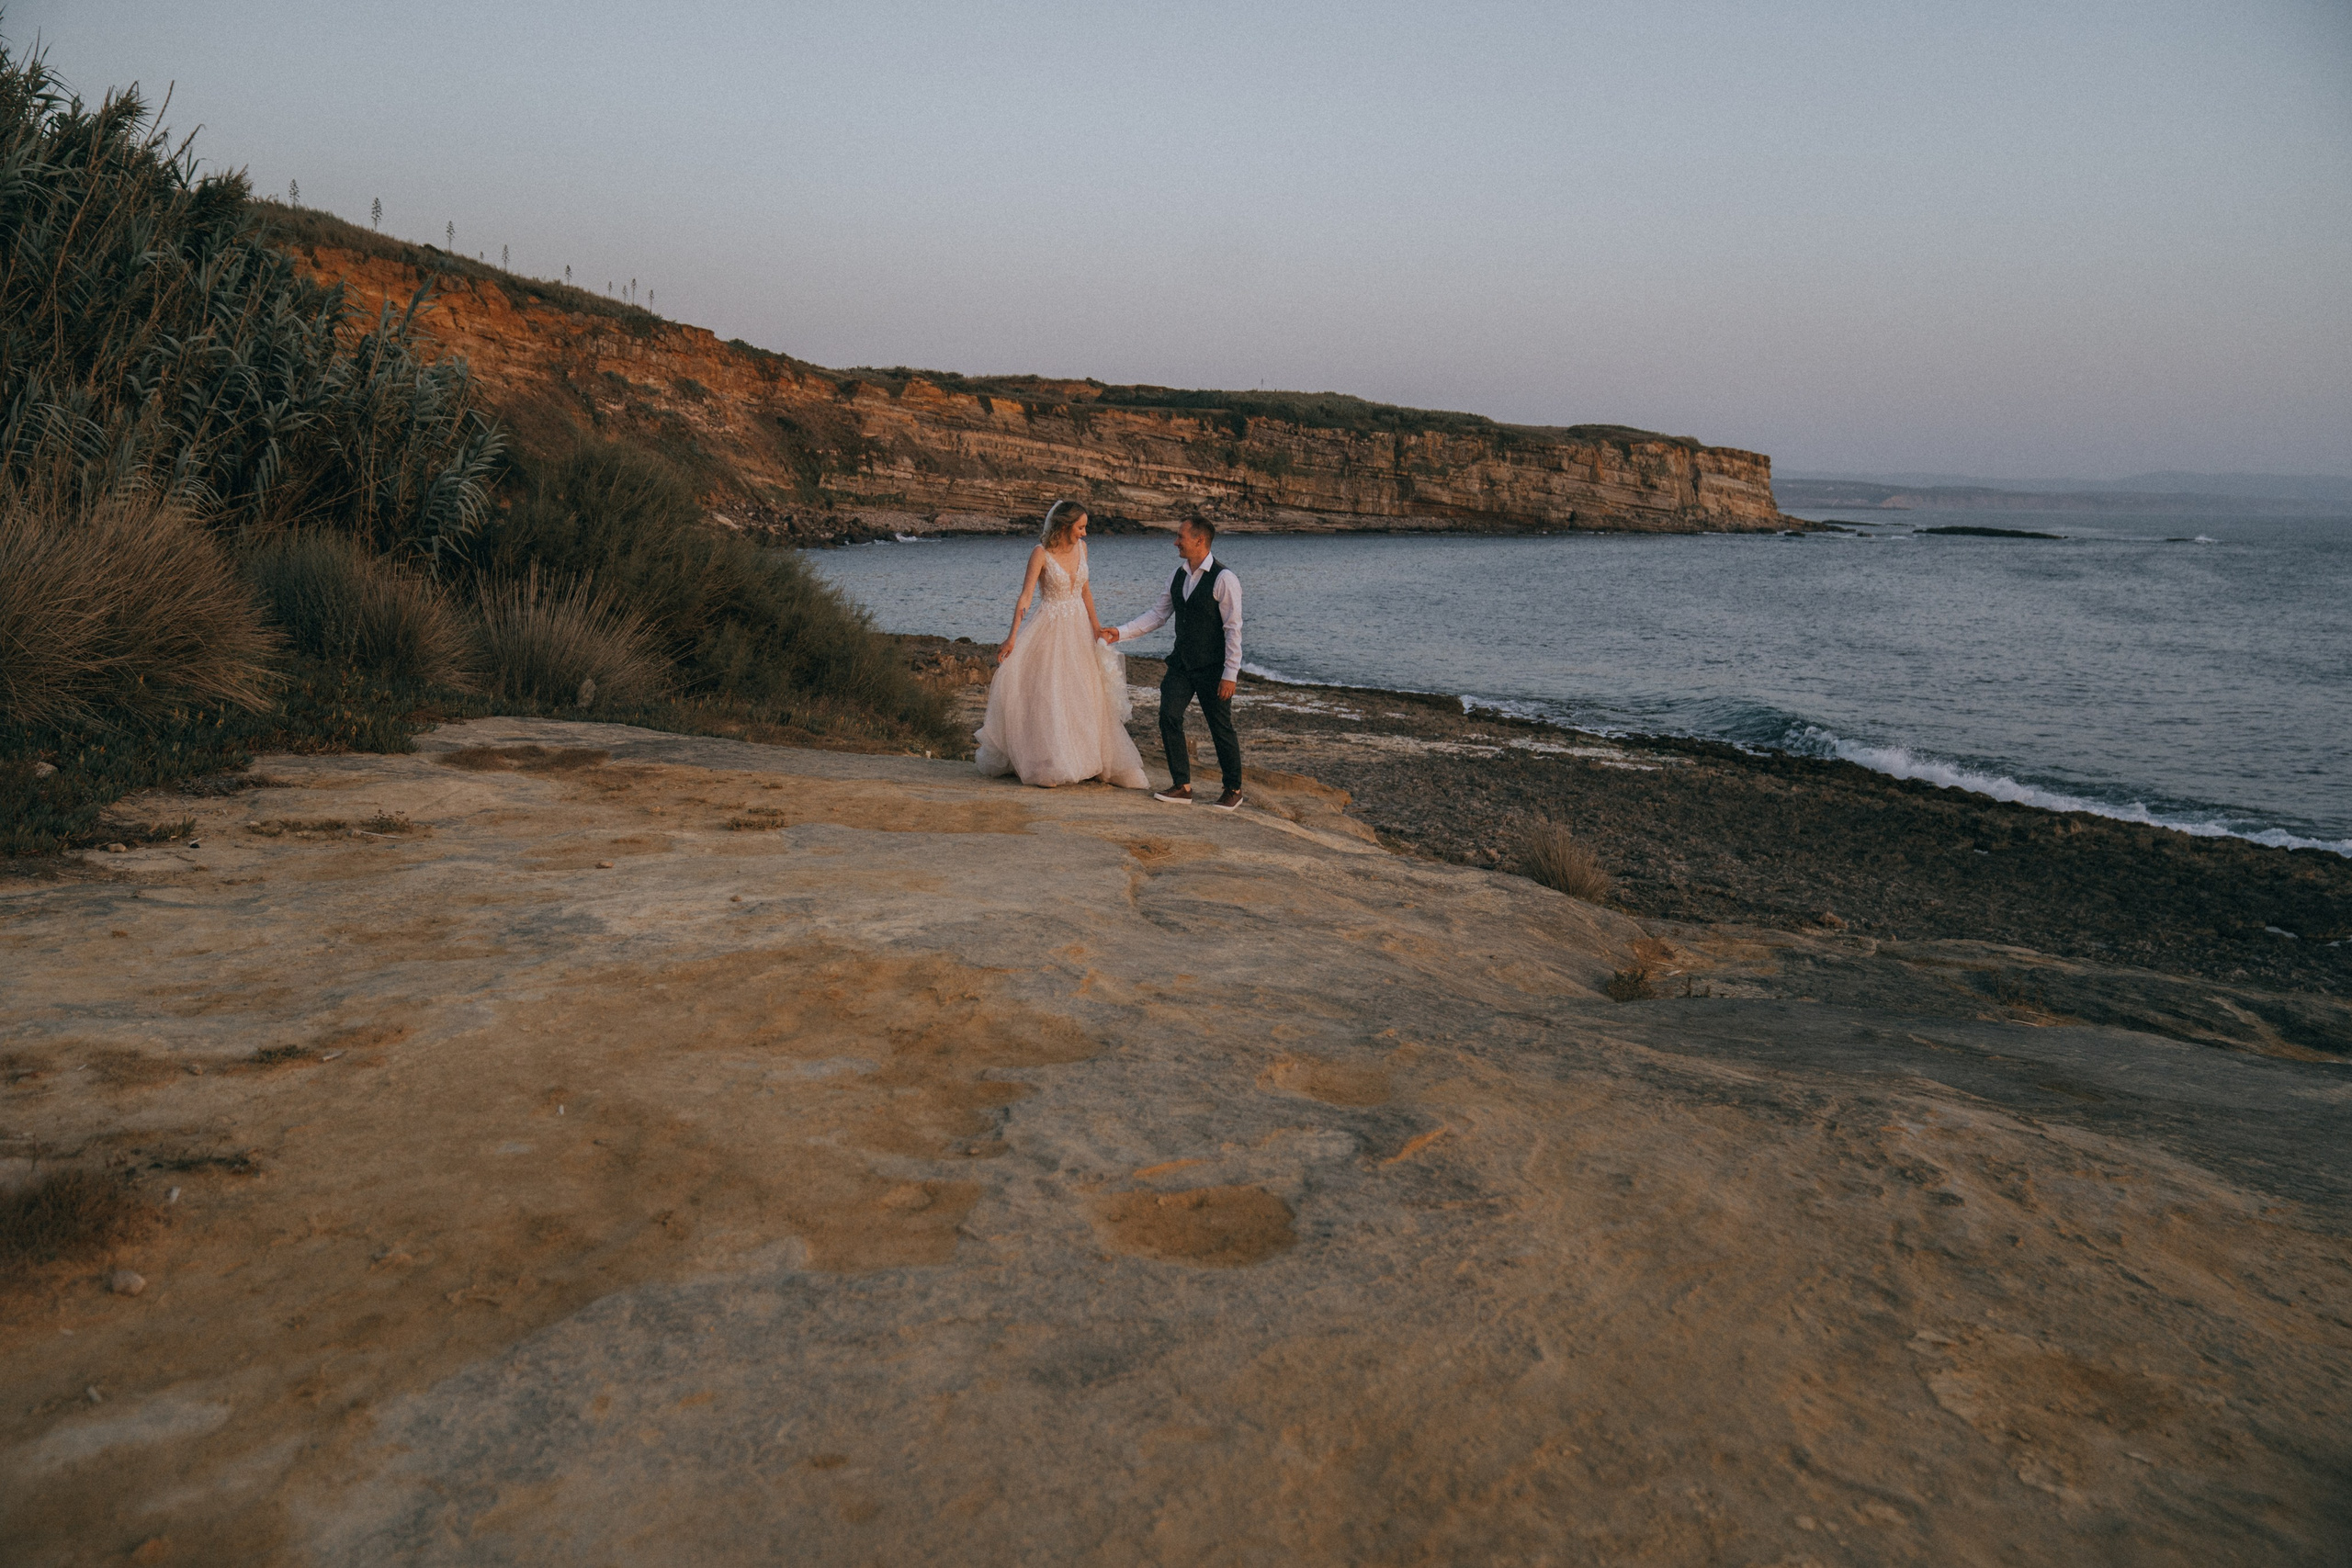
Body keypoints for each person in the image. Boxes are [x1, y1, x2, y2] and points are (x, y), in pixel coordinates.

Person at [974, 502, 1148, 790]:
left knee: (1085, 693)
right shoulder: (1040, 553)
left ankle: (1090, 761)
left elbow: (1086, 592)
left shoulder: (1082, 549)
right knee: (1050, 693)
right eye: (1081, 527)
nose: (1085, 533)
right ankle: (1049, 762)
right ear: (1065, 526)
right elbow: (1026, 597)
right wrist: (1012, 636)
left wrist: (1097, 628)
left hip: (1079, 629)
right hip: (1050, 627)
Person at [1101, 517, 1245, 810]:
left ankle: (1233, 789)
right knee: (1168, 715)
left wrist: (1230, 674)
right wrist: (1120, 632)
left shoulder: (1224, 579)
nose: (1176, 542)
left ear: (1200, 540)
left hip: (1213, 668)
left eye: (1181, 537)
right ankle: (1182, 786)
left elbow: (1233, 629)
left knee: (1220, 727)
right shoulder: (1177, 576)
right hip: (1181, 664)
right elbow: (1158, 615)